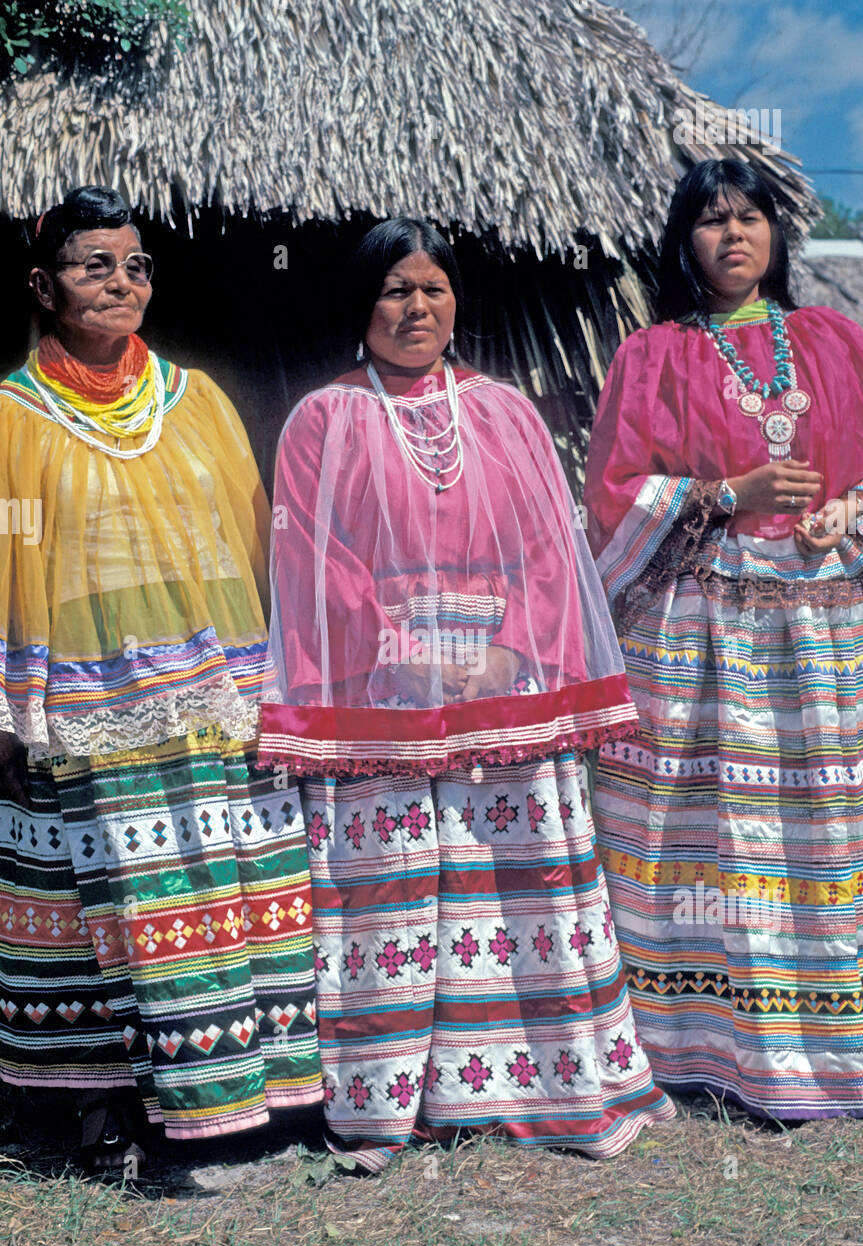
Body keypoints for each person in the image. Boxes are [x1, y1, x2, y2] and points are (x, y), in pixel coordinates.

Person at [260, 217, 675, 1172]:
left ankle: (553, 1078)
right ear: (360, 305)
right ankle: (398, 1092)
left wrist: (509, 650)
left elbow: (548, 549)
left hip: (504, 683)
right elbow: (311, 557)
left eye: (432, 289)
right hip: (383, 691)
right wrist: (401, 648)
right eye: (393, 290)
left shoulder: (506, 413)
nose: (415, 307)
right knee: (401, 894)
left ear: (456, 301)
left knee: (515, 876)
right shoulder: (322, 420)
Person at [0, 186, 321, 1169]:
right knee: (124, 911)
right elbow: (13, 546)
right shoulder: (15, 417)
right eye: (95, 264)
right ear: (43, 286)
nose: (120, 282)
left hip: (217, 697)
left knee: (237, 896)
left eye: (135, 265)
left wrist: (272, 687)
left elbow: (246, 532)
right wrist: (19, 704)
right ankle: (150, 1119)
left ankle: (268, 1109)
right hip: (99, 704)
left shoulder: (199, 405)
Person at [584, 157, 863, 1120]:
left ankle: (822, 1046)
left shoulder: (833, 342)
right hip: (699, 628)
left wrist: (845, 510)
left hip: (817, 630)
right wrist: (723, 497)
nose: (732, 236)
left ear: (777, 236)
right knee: (699, 831)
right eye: (710, 221)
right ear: (682, 242)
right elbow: (612, 499)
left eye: (749, 218)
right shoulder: (651, 355)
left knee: (813, 823)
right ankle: (692, 1045)